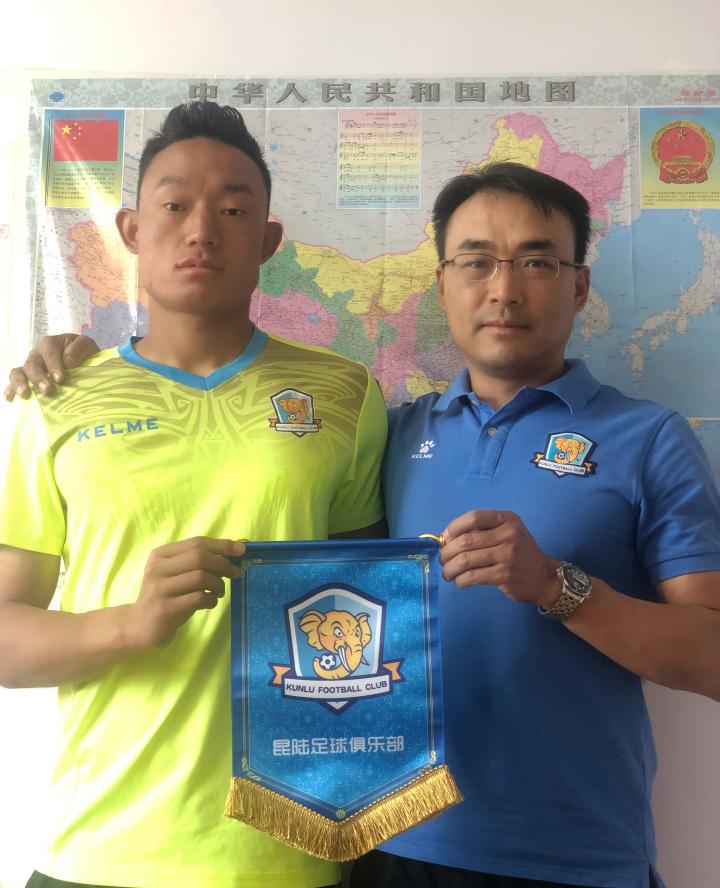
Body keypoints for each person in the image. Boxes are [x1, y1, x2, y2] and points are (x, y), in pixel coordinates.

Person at [7, 165, 720, 887]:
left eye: (537, 262)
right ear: (442, 285)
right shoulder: (389, 432)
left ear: (579, 286)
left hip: (573, 858)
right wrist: (80, 360)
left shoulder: (649, 438)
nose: (504, 289)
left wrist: (555, 586)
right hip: (385, 845)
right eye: (476, 262)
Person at [0, 102, 386, 888]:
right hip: (100, 848)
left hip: (289, 852)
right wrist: (130, 624)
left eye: (234, 210)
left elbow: (372, 607)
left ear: (269, 240)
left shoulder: (346, 392)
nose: (202, 229)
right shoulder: (56, 398)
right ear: (132, 230)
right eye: (174, 205)